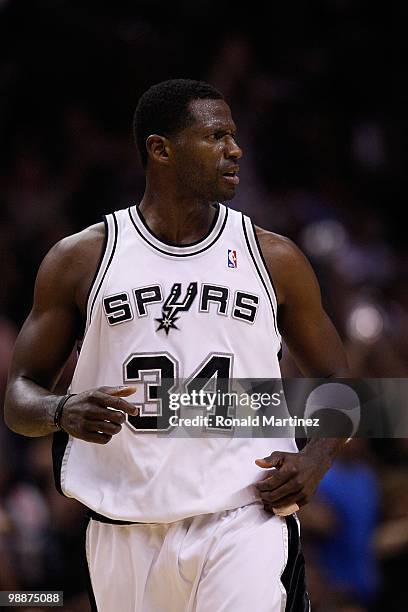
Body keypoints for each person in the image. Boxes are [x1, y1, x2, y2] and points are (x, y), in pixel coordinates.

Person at [5, 78, 350, 611]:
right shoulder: (80, 260)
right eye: (216, 136)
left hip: (243, 518)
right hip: (123, 526)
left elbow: (343, 390)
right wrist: (61, 409)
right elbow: (18, 399)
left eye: (234, 136)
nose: (235, 149)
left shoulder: (274, 257)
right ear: (160, 149)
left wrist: (316, 459)